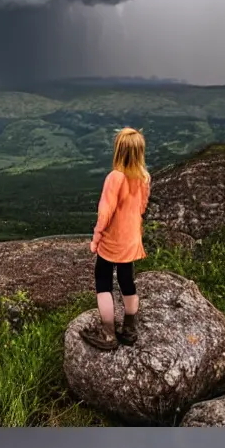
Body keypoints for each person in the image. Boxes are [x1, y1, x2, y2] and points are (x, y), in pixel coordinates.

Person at [81, 128, 152, 352]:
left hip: (114, 240)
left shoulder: (115, 177)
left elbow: (105, 213)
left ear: (118, 150)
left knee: (103, 280)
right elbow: (141, 209)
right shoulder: (143, 177)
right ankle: (129, 329)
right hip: (131, 238)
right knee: (126, 280)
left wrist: (96, 237)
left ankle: (108, 333)